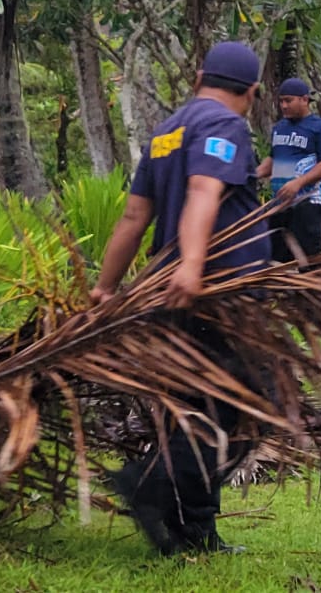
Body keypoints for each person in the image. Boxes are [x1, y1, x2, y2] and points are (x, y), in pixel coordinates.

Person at [90, 40, 269, 555]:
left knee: (195, 408)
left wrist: (106, 287)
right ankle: (148, 486)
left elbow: (133, 218)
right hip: (216, 294)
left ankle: (196, 531)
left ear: (198, 76)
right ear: (252, 93)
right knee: (246, 402)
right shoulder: (226, 125)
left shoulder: (165, 132)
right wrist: (192, 268)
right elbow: (203, 191)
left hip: (171, 295)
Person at [255, 77, 321, 264]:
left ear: (304, 100)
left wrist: (299, 182)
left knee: (307, 252)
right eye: (281, 101)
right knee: (277, 251)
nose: (284, 106)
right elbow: (273, 159)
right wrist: (254, 174)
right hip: (281, 201)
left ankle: (313, 287)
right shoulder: (279, 128)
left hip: (309, 200)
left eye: (288, 100)